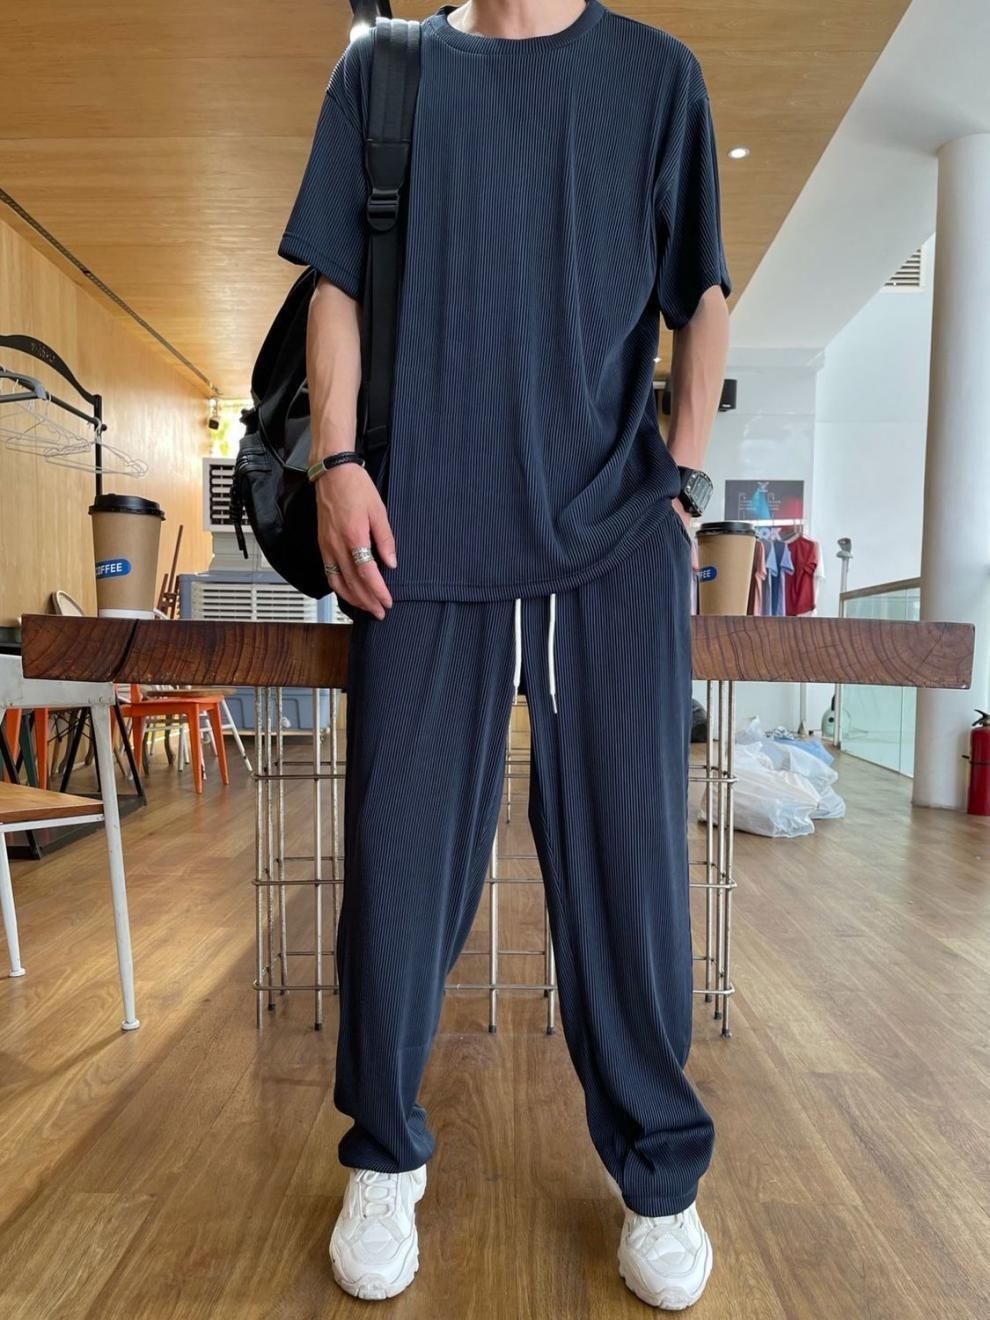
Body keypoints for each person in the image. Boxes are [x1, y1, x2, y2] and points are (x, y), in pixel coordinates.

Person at [278, 0, 731, 1308]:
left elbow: (699, 293)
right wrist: (339, 462)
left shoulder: (657, 77)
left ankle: (660, 1178)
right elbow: (335, 284)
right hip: (420, 531)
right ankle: (383, 1157)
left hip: (613, 539)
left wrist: (679, 480)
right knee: (399, 862)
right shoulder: (386, 71)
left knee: (633, 867)